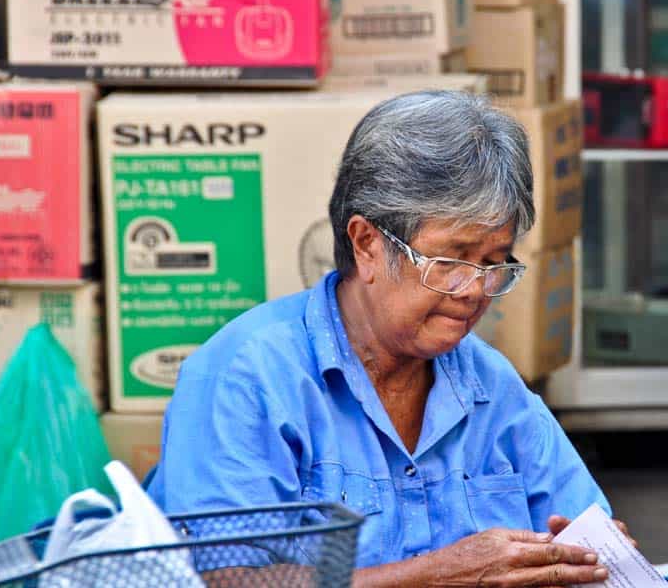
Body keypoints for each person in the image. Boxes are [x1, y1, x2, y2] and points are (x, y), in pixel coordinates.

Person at [147, 91, 631, 586]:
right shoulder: (247, 376)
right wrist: (435, 576)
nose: (474, 290)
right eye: (449, 261)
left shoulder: (492, 386)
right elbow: (227, 580)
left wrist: (593, 557)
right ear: (367, 244)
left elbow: (581, 532)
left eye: (493, 264)